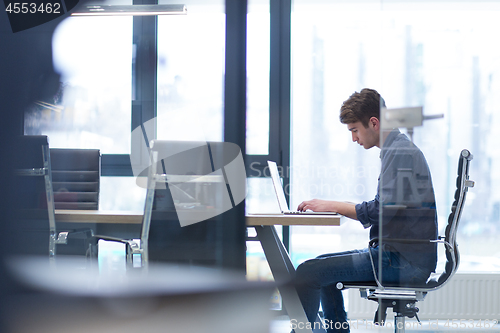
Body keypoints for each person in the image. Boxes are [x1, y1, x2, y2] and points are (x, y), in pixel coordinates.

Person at [294, 88, 438, 333]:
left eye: (354, 130)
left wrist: (329, 205)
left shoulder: (400, 153)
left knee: (307, 272)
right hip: (398, 255)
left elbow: (378, 211)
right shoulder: (396, 150)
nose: (353, 138)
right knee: (320, 268)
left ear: (373, 123)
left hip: (403, 262)